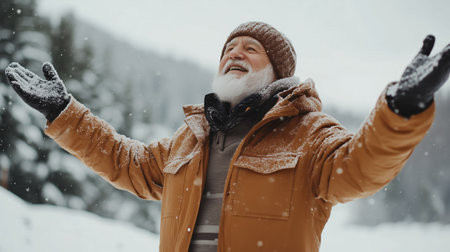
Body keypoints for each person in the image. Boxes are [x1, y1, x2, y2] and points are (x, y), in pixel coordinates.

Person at [4, 21, 450, 252]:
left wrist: (399, 111)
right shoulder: (190, 138)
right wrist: (65, 113)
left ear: (277, 72)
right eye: (228, 50)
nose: (234, 53)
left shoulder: (309, 133)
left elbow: (360, 168)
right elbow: (128, 161)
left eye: (250, 49)